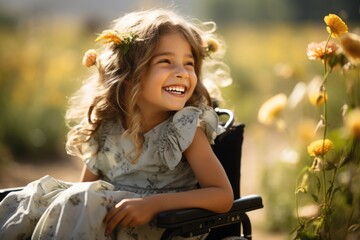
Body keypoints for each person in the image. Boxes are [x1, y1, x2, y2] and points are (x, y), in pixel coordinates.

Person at [0, 8, 233, 239]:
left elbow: (222, 196)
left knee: (82, 199)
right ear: (129, 74)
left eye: (189, 64)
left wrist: (153, 205)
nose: (182, 73)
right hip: (112, 223)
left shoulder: (185, 128)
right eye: (166, 61)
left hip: (166, 225)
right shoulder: (106, 125)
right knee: (36, 196)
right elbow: (81, 191)